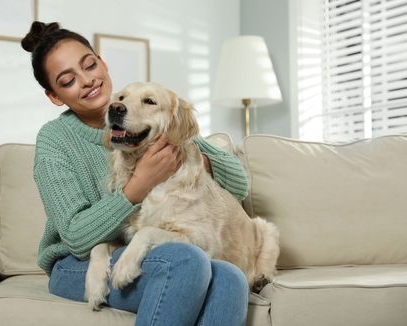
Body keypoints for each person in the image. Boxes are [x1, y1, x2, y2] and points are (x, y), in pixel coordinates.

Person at [22, 21, 250, 326]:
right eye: (68, 80)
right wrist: (141, 183)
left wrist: (189, 159)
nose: (87, 80)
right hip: (75, 264)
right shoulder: (55, 140)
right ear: (55, 96)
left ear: (102, 63)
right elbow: (76, 237)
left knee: (231, 277)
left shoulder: (147, 116)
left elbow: (239, 183)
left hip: (134, 250)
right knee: (188, 262)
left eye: (89, 65)